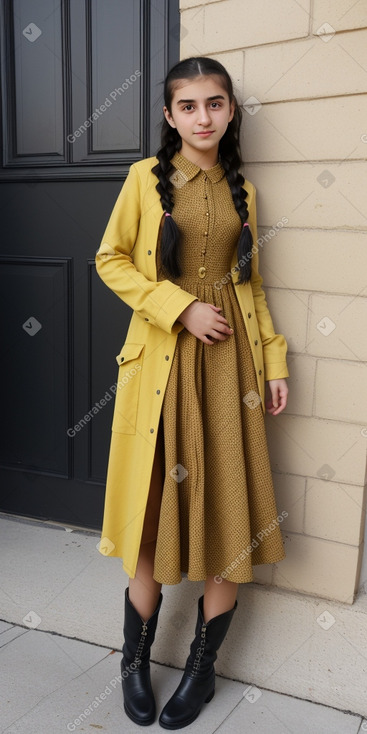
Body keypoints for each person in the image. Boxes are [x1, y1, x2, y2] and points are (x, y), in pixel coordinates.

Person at [95, 56, 289, 730]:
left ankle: (202, 671)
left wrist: (272, 361)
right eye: (188, 106)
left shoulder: (244, 189)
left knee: (228, 510)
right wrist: (176, 307)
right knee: (151, 515)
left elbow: (249, 284)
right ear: (170, 115)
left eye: (215, 104)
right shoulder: (143, 183)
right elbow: (110, 259)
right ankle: (133, 661)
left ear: (230, 111)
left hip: (229, 370)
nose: (202, 117)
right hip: (164, 365)